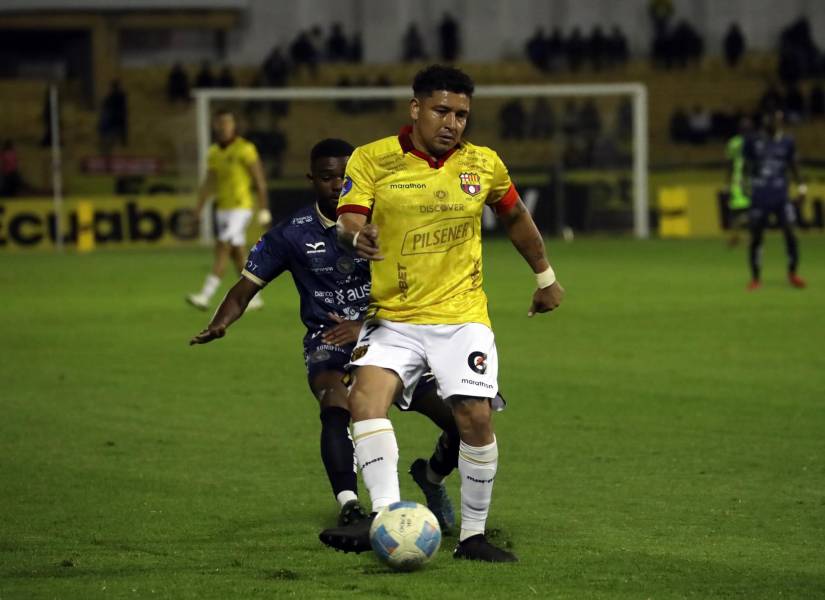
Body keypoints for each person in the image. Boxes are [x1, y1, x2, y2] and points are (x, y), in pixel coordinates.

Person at [318, 65, 564, 562]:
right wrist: (354, 235)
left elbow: (515, 215)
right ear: (416, 109)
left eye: (461, 114)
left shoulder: (483, 164)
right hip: (394, 317)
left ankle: (472, 538)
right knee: (365, 400)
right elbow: (348, 219)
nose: (452, 122)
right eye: (441, 111)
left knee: (474, 418)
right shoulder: (372, 160)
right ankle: (387, 518)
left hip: (462, 317)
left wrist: (544, 276)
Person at [189, 139, 460, 530]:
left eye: (345, 177)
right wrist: (222, 321)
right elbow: (246, 286)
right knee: (334, 402)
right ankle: (350, 504)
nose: (337, 185)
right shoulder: (291, 234)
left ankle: (432, 478)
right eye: (328, 177)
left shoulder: (390, 219)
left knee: (460, 422)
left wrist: (364, 324)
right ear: (312, 179)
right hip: (328, 341)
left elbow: (422, 286)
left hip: (394, 334)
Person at [187, 109, 271, 311]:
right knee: (237, 254)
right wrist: (198, 208)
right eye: (220, 123)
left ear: (234, 125)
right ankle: (255, 297)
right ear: (215, 126)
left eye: (227, 123)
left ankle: (205, 296)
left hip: (241, 207)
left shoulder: (245, 149)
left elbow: (259, 180)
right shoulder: (214, 152)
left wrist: (263, 208)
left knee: (222, 246)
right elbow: (209, 182)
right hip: (223, 209)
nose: (224, 127)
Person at [743, 110, 807, 290]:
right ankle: (755, 278)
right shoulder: (753, 141)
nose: (771, 123)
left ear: (780, 122)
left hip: (781, 196)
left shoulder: (787, 141)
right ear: (764, 123)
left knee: (790, 231)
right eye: (768, 120)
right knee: (756, 236)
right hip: (760, 196)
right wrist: (744, 187)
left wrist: (802, 188)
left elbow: (794, 165)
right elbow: (745, 166)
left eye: (775, 120)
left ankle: (793, 273)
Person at [724, 117, 752, 246]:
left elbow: (729, 164)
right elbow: (729, 164)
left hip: (739, 179)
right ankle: (738, 237)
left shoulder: (733, 143)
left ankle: (739, 237)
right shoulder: (752, 141)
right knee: (744, 210)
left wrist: (727, 182)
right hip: (744, 180)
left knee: (739, 210)